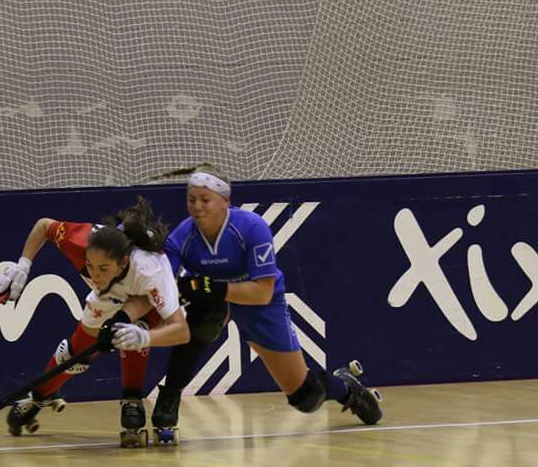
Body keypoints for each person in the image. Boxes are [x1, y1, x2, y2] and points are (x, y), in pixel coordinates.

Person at [147, 165, 382, 443]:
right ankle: (169, 397)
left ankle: (345, 387)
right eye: (191, 199)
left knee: (305, 397)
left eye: (205, 199)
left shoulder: (251, 227)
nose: (197, 206)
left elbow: (262, 293)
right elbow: (163, 284)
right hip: (215, 302)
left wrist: (212, 287)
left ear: (225, 201)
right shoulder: (181, 238)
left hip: (258, 302)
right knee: (201, 323)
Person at [0, 197, 190, 445]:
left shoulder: (151, 271)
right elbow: (43, 226)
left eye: (103, 268)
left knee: (132, 332)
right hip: (109, 295)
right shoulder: (80, 240)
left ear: (123, 262)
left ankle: (132, 398)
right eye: (90, 266)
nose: (94, 275)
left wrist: (145, 337)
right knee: (75, 353)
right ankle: (39, 396)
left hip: (147, 298)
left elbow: (181, 331)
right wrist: (23, 266)